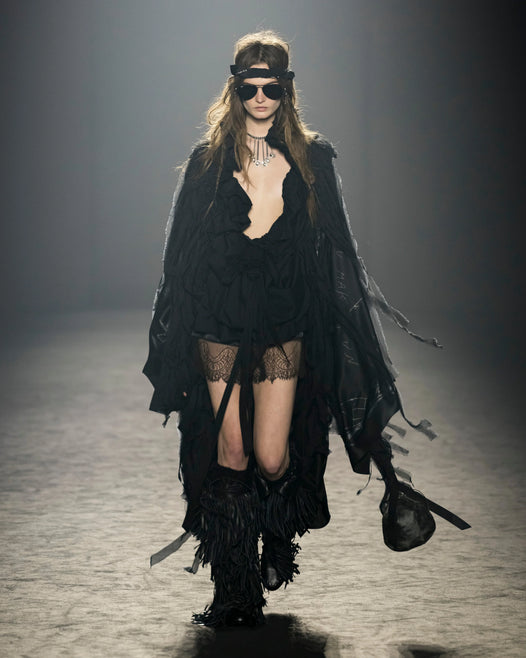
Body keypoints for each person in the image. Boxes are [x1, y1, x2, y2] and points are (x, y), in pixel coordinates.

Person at [143, 30, 469, 628]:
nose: (260, 97)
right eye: (249, 87)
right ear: (234, 89)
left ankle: (276, 535)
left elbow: (336, 254)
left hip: (283, 321)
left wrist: (347, 339)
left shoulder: (313, 161)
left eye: (271, 87)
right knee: (231, 452)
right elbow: (180, 258)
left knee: (272, 458)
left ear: (287, 91)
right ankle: (236, 593)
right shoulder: (207, 162)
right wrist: (176, 340)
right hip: (218, 321)